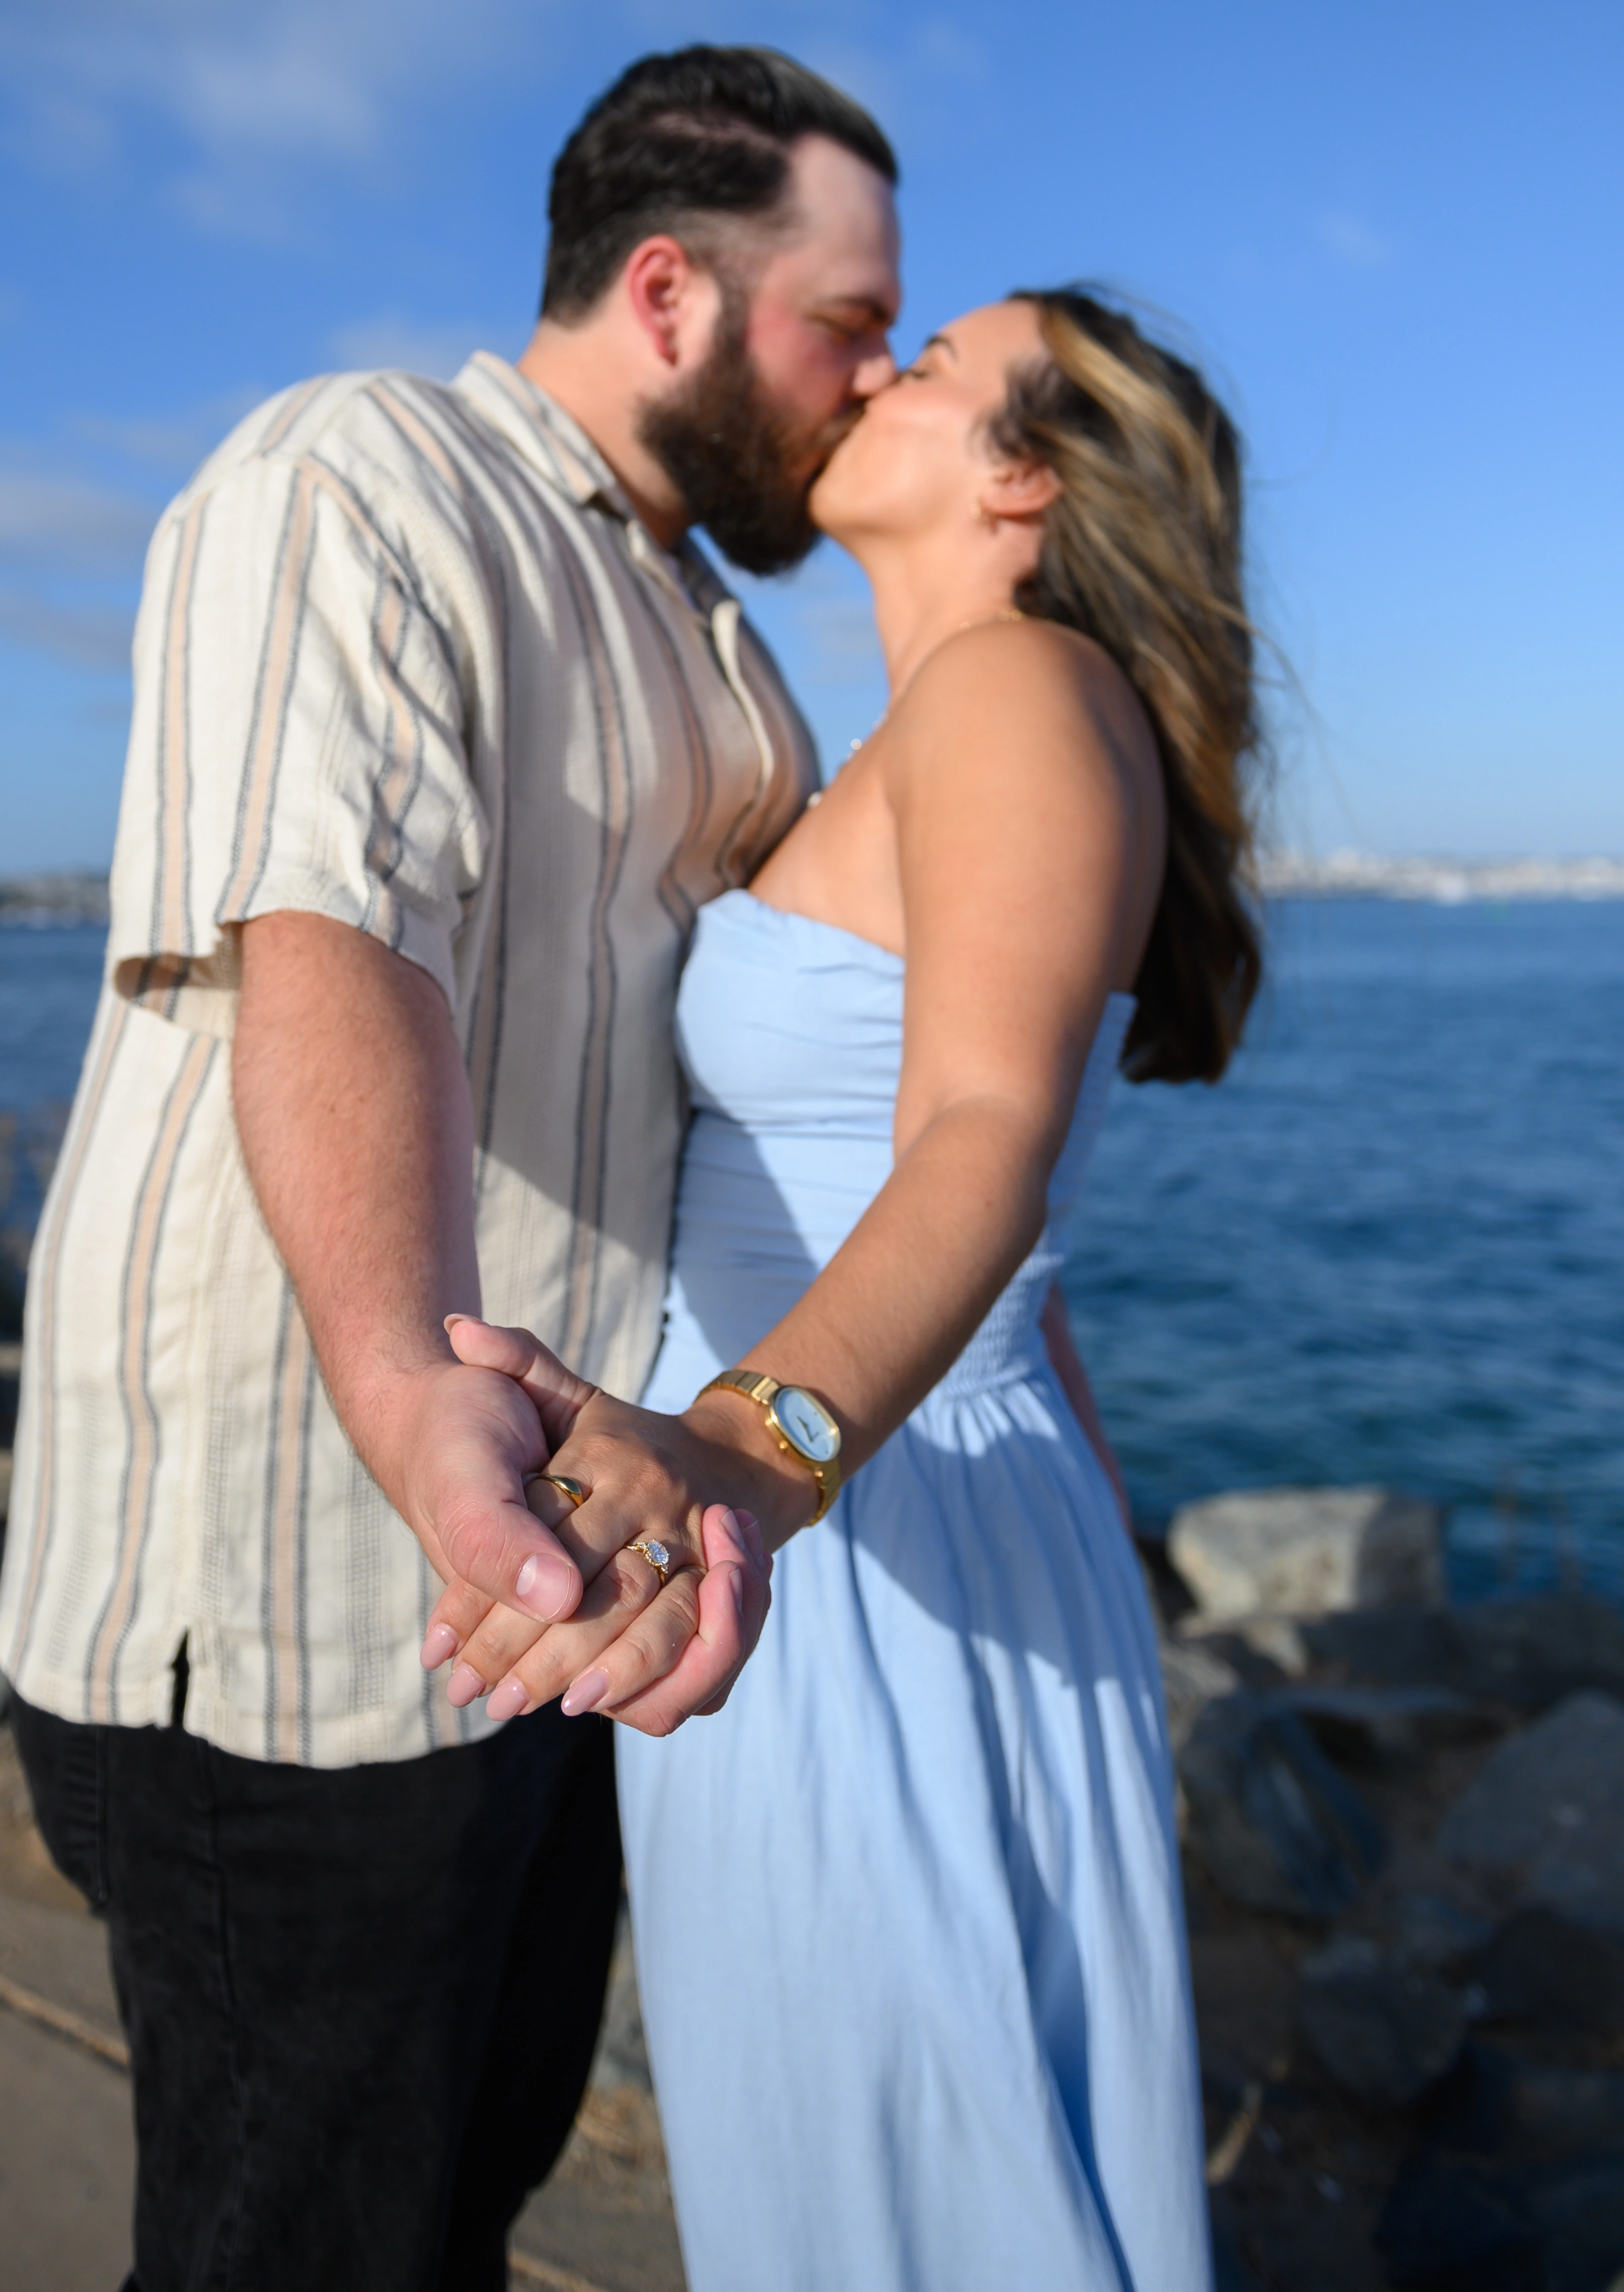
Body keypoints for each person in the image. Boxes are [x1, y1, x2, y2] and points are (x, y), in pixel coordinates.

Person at [0, 44, 905, 2291]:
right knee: (294, 2251)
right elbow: (329, 932)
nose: (870, 377)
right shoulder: (358, 477)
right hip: (299, 1602)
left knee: (456, 2204)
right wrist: (406, 1381)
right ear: (673, 290)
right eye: (847, 320)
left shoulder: (722, 640)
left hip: (558, 1589)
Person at [428, 287, 1262, 2291]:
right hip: (873, 1493)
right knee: (860, 2155)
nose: (874, 372)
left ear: (1023, 476)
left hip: (842, 1504)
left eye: (933, 363)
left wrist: (738, 1444)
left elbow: (982, 1130)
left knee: (912, 2171)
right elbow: (1010, 1232)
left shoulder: (1015, 693)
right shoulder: (924, 730)